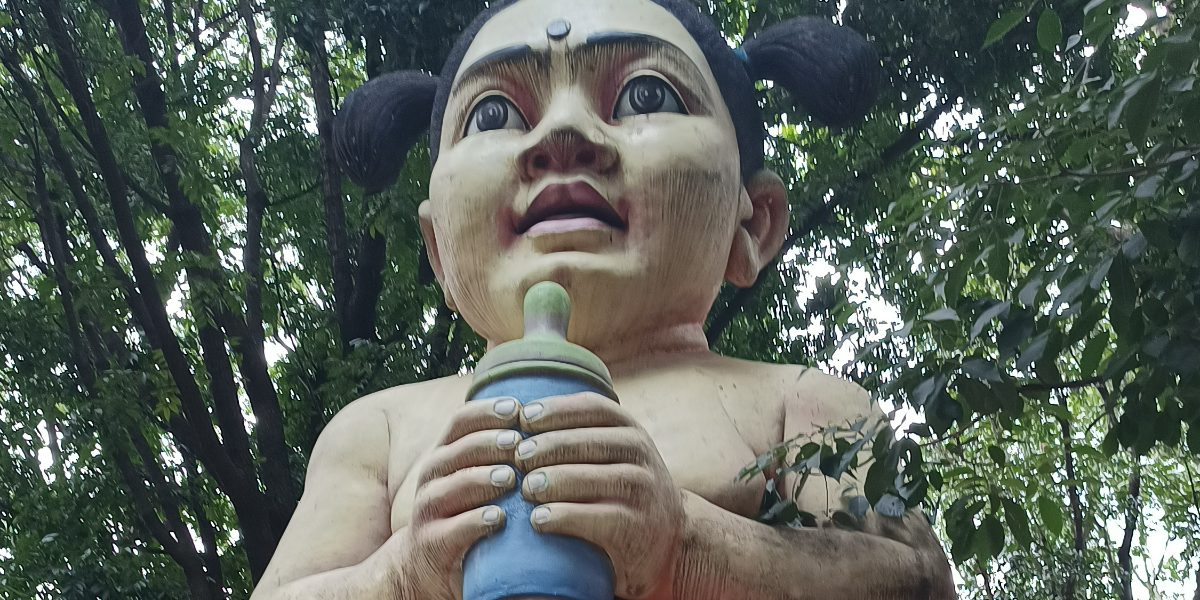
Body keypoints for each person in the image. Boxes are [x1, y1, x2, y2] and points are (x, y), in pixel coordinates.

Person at [250, 0, 956, 598]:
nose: (563, 135)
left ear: (753, 222)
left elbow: (917, 573)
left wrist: (690, 545)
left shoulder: (799, 400)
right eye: (495, 112)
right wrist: (401, 575)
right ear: (437, 251)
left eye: (645, 96)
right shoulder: (379, 429)